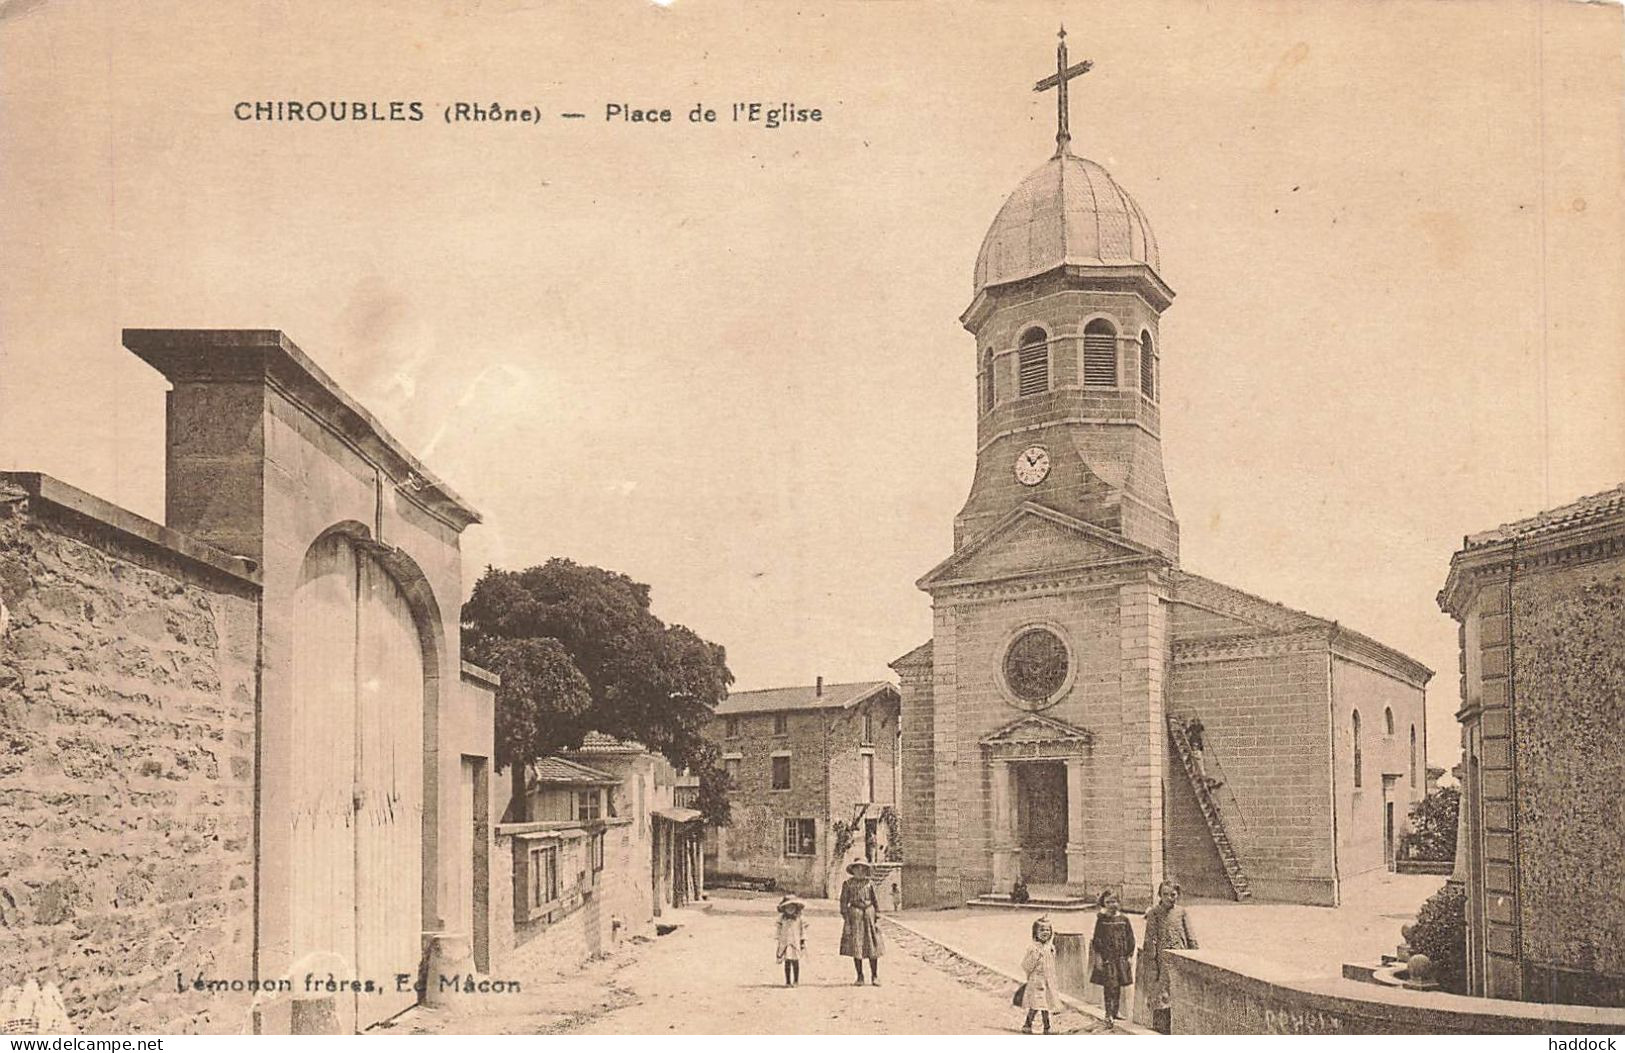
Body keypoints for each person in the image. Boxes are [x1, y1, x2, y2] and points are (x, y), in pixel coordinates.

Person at [1137, 880, 1198, 1034]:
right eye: (1166, 894)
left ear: (1178, 895)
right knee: (1161, 995)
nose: (1170, 898)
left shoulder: (1182, 912)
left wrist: (1195, 954)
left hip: (1180, 957)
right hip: (1161, 961)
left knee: (1180, 994)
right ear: (1160, 895)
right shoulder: (1154, 913)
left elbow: (1190, 935)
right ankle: (1161, 1031)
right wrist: (1151, 964)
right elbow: (1150, 939)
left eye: (1173, 894)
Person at [1089, 889, 1135, 1021]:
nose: (1111, 905)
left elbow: (1130, 938)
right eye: (1108, 902)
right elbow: (1097, 939)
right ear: (1104, 904)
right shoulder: (1102, 920)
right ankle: (1108, 1012)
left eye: (1114, 901)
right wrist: (1098, 957)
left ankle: (1116, 1011)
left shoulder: (1124, 920)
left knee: (1118, 985)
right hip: (1107, 958)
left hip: (1120, 958)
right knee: (1109, 985)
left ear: (1119, 903)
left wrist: (1129, 956)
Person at [838, 860, 884, 985]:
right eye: (857, 869)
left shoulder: (870, 884)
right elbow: (843, 904)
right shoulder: (847, 884)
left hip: (869, 915)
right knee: (856, 945)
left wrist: (877, 920)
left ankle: (874, 975)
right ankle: (860, 976)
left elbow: (876, 902)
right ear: (852, 871)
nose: (860, 871)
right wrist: (847, 921)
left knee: (872, 946)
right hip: (855, 916)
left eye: (863, 869)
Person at [1017, 916, 1059, 1034]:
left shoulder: (1051, 948)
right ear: (1035, 932)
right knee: (1036, 1005)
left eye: (1047, 930)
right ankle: (1030, 1024)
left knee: (1046, 1004)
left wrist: (1053, 978)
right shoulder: (1033, 948)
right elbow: (1026, 965)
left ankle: (1046, 1027)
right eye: (1042, 930)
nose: (1045, 933)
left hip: (1047, 981)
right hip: (1036, 981)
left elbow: (1052, 964)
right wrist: (1035, 958)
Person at [775, 894, 807, 987]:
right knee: (787, 961)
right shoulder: (782, 919)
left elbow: (802, 930)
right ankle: (788, 981)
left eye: (792, 907)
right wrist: (779, 940)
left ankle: (796, 980)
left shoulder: (799, 919)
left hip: (795, 942)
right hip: (785, 942)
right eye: (788, 908)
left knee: (795, 961)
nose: (790, 910)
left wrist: (802, 941)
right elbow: (778, 930)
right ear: (784, 908)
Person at [1186, 717, 1222, 790]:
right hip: (1196, 759)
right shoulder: (1193, 732)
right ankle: (1209, 786)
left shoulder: (1198, 745)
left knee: (1201, 771)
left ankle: (1209, 786)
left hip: (1197, 754)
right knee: (1200, 772)